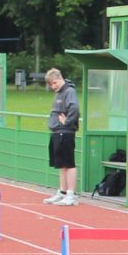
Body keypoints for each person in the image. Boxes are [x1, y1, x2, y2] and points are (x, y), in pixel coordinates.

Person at [44, 66, 79, 206]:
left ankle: (71, 194)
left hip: (65, 131)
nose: (53, 86)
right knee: (61, 164)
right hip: (57, 131)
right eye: (51, 84)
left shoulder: (69, 91)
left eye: (55, 83)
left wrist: (68, 121)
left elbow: (74, 107)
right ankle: (62, 192)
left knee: (69, 163)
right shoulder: (59, 93)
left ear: (60, 78)